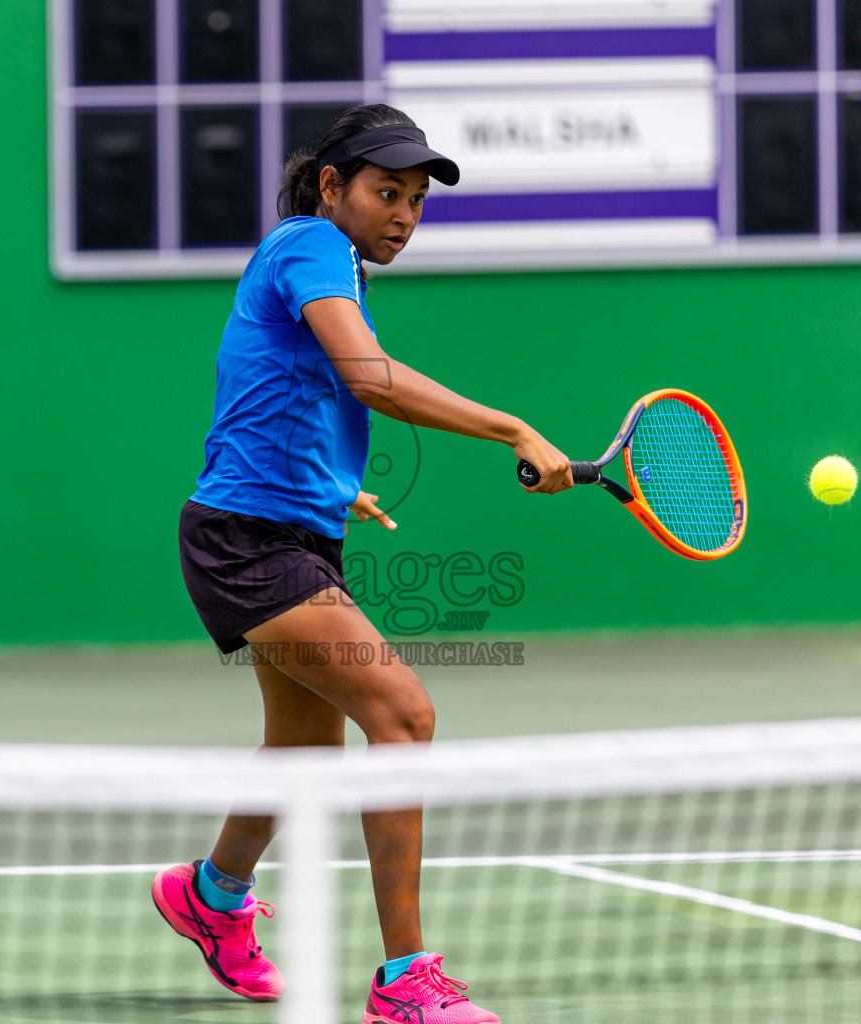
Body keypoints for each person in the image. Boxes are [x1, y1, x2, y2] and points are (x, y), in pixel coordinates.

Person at [153, 103, 573, 1024]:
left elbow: (270, 382)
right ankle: (406, 981)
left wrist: (334, 486)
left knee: (304, 748)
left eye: (418, 201)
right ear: (332, 186)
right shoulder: (311, 243)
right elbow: (369, 377)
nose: (404, 216)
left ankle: (211, 897)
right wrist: (511, 426)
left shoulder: (318, 261)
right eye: (388, 193)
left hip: (283, 527)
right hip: (246, 542)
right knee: (404, 715)